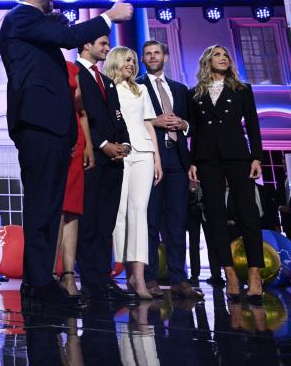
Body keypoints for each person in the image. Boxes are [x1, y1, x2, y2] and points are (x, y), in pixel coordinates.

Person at [0, 0, 131, 306]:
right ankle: (39, 283)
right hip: (37, 124)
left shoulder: (37, 27)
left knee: (51, 207)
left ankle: (39, 280)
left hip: (55, 128)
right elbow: (68, 37)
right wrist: (109, 17)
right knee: (42, 206)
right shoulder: (20, 17)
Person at [187, 44, 265, 302]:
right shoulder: (194, 94)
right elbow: (195, 131)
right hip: (207, 159)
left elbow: (253, 124)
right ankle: (229, 273)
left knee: (248, 214)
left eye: (225, 55)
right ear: (207, 61)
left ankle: (254, 274)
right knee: (215, 217)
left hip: (237, 156)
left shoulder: (242, 90)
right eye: (217, 55)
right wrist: (193, 161)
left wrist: (257, 157)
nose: (222, 58)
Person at [138, 40, 203, 299]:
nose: (153, 57)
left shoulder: (180, 89)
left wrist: (183, 124)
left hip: (177, 161)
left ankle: (179, 279)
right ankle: (150, 277)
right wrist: (155, 121)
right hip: (151, 160)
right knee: (151, 221)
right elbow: (132, 120)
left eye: (157, 53)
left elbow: (194, 126)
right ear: (143, 60)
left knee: (177, 223)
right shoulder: (138, 86)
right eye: (148, 54)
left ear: (165, 56)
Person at [75, 34, 133, 302]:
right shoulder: (74, 74)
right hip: (92, 159)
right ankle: (90, 281)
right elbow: (79, 115)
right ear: (86, 44)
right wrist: (101, 144)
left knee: (106, 223)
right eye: (102, 43)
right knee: (89, 222)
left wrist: (125, 144)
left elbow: (117, 117)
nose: (107, 48)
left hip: (114, 161)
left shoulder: (107, 82)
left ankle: (103, 277)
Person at [105, 46, 162, 300]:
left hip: (143, 154)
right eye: (127, 60)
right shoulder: (107, 88)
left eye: (133, 61)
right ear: (116, 61)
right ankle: (124, 271)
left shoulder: (141, 89)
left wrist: (157, 158)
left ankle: (138, 277)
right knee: (119, 212)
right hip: (120, 153)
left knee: (140, 211)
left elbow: (149, 123)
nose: (132, 64)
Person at [53, 60, 93, 298]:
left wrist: (87, 145)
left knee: (72, 210)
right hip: (54, 138)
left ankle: (68, 275)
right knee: (56, 208)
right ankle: (49, 273)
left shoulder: (69, 67)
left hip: (75, 140)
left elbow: (82, 111)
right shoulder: (39, 63)